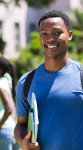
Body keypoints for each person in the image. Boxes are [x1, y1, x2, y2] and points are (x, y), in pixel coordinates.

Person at [14, 9, 83, 150]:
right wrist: (23, 142)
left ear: (69, 35)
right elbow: (21, 124)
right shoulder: (26, 81)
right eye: (44, 33)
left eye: (57, 32)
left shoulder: (80, 75)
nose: (50, 38)